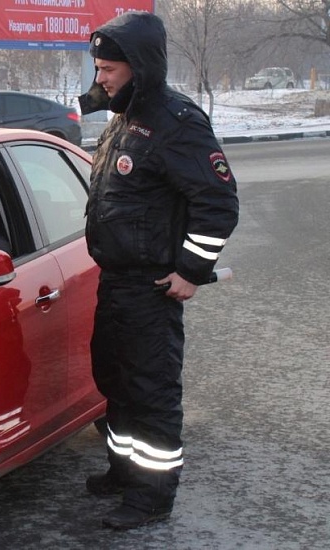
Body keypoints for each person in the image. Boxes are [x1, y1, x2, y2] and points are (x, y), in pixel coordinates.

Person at [78, 12, 239, 530]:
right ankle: (124, 471)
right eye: (98, 68)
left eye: (108, 69)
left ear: (139, 67)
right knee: (115, 380)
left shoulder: (177, 122)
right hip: (116, 281)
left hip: (152, 287)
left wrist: (192, 270)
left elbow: (217, 202)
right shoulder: (123, 115)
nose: (100, 78)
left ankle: (152, 497)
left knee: (151, 393)